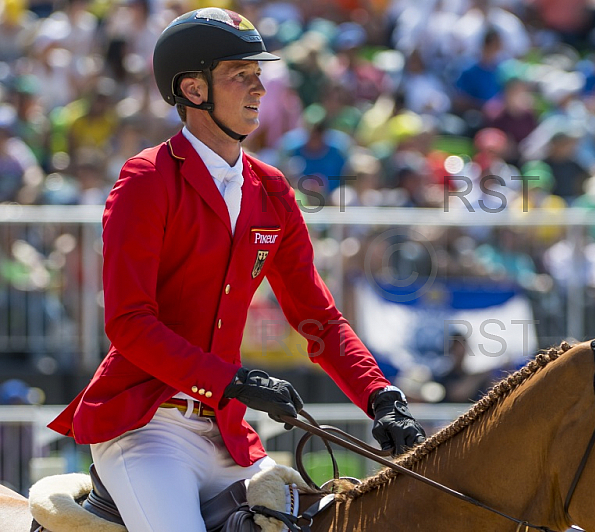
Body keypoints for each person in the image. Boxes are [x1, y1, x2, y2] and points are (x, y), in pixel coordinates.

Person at [46, 8, 425, 532]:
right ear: (193, 89)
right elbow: (129, 323)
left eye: (258, 76)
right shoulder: (147, 180)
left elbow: (318, 317)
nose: (258, 89)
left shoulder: (272, 191)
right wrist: (231, 380)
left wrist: (381, 397)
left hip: (228, 436)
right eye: (239, 75)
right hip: (147, 428)